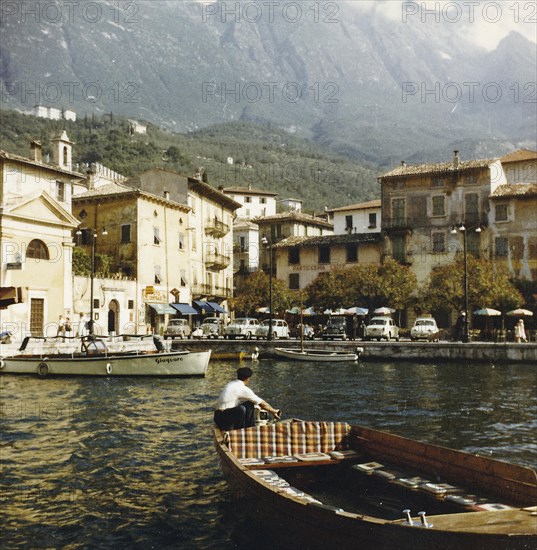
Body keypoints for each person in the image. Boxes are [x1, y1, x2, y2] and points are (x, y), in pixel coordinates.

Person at [214, 367, 281, 431]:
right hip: (224, 420)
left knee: (248, 404)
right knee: (242, 409)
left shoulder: (230, 384)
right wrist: (273, 411)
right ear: (247, 379)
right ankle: (246, 431)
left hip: (218, 416)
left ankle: (249, 428)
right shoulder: (242, 388)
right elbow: (262, 403)